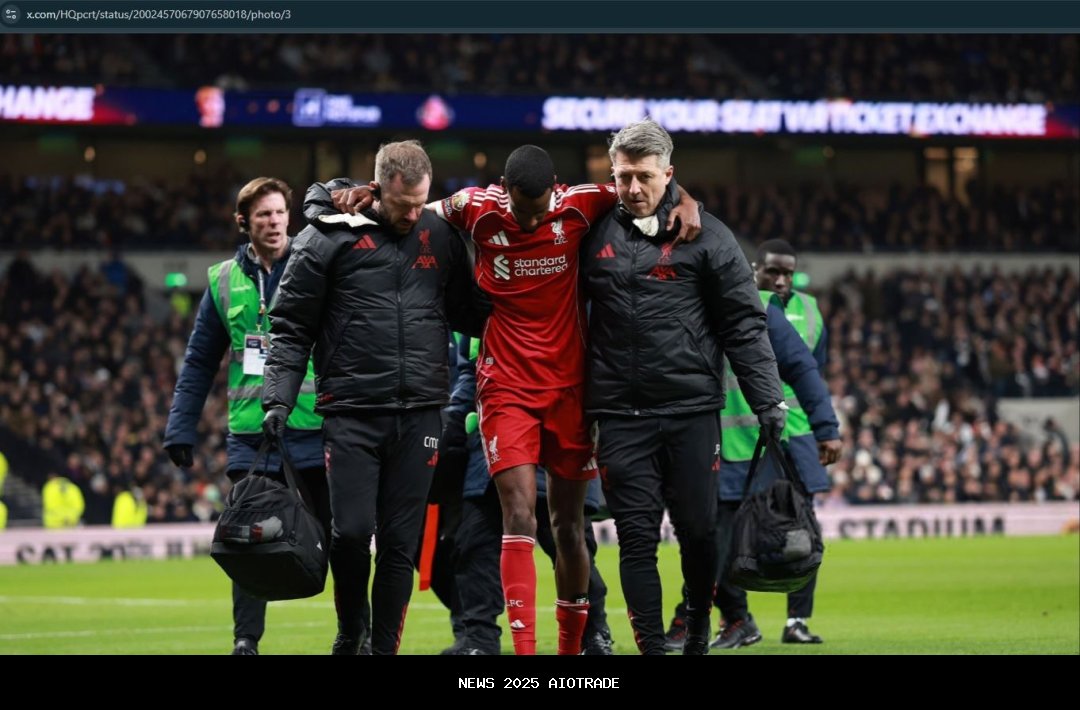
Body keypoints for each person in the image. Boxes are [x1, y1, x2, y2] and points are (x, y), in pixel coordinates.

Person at [332, 144, 701, 655]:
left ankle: (570, 651)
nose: (532, 221)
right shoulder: (475, 207)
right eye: (523, 211)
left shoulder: (580, 203)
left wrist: (687, 200)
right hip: (505, 384)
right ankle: (524, 654)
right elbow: (413, 210)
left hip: (569, 389)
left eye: (541, 209)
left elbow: (646, 189)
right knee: (520, 515)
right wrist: (369, 196)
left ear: (555, 191)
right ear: (504, 191)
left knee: (568, 528)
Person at [261, 141, 480, 655]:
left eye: (421, 203)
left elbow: (471, 311)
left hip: (422, 412)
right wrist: (277, 400)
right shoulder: (326, 237)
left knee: (401, 546)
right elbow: (291, 327)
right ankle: (350, 629)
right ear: (377, 189)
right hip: (352, 413)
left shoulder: (440, 235)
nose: (413, 215)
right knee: (352, 533)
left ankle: (383, 650)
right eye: (403, 205)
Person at [579, 119, 787, 656]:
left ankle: (696, 635)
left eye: (645, 177)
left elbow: (743, 324)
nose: (633, 188)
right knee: (636, 539)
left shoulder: (709, 236)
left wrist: (768, 398)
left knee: (698, 533)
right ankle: (651, 647)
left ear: (668, 174)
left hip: (691, 412)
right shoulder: (590, 231)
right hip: (621, 415)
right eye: (623, 176)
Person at [163, 177, 334, 656]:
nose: (275, 222)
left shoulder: (316, 265)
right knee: (246, 535)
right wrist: (180, 426)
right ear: (244, 222)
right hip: (252, 434)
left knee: (341, 538)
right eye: (263, 215)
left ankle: (354, 633)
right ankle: (246, 640)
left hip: (317, 427)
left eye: (280, 212)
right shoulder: (222, 281)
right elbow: (200, 360)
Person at [666, 238, 842, 650]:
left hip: (759, 444)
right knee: (710, 537)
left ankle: (725, 618)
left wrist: (825, 427)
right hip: (712, 443)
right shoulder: (688, 305)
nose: (780, 281)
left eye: (787, 273)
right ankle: (733, 618)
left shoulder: (767, 309)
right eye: (772, 272)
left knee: (731, 537)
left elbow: (806, 370)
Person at [436, 333, 613, 655]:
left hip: (558, 423)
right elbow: (468, 371)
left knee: (568, 538)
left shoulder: (569, 305)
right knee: (474, 546)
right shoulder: (480, 315)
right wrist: (454, 425)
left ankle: (593, 632)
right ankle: (479, 640)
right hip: (490, 445)